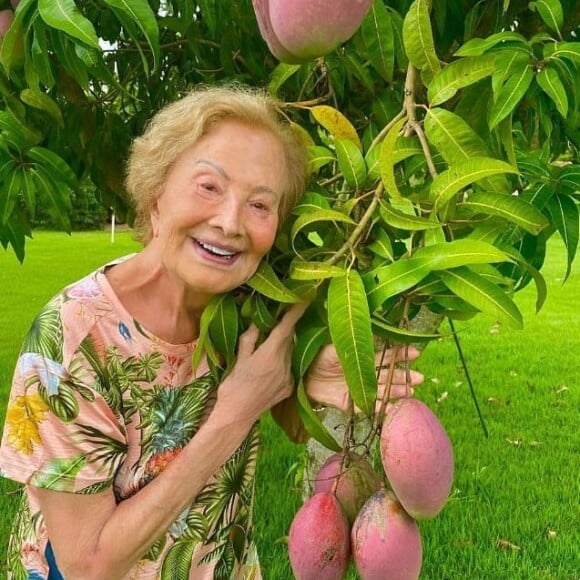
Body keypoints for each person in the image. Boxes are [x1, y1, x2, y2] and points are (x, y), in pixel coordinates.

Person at [0, 85, 423, 579]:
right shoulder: (68, 342)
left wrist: (304, 383)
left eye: (261, 206)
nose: (230, 222)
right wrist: (235, 413)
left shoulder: (242, 310)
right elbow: (89, 566)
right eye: (209, 186)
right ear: (156, 193)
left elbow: (278, 413)